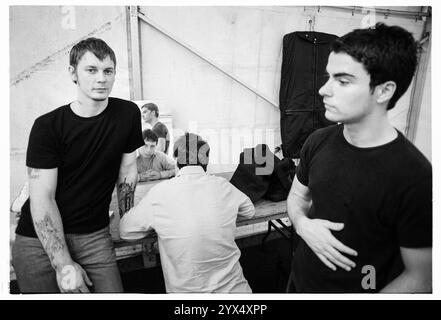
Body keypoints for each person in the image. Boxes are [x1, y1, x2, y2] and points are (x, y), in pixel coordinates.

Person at [287, 23, 432, 293]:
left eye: (342, 81)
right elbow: (297, 197)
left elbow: (422, 278)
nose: (323, 90)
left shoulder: (415, 177)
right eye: (328, 77)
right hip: (300, 284)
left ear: (384, 91)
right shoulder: (317, 141)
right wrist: (302, 224)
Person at [12, 38, 144, 293]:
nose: (101, 79)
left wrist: (127, 219)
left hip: (93, 235)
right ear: (73, 73)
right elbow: (42, 198)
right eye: (91, 70)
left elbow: (127, 170)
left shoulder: (127, 114)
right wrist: (63, 264)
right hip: (37, 241)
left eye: (108, 71)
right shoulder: (47, 127)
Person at [120, 133, 255, 293]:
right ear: (206, 161)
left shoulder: (160, 193)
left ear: (177, 161)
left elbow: (125, 231)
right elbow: (249, 211)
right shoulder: (223, 186)